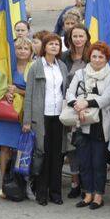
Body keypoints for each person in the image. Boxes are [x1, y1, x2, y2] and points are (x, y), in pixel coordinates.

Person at [65, 42, 110, 210]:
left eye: (101, 57)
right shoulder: (80, 73)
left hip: (100, 123)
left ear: (106, 58)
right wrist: (77, 105)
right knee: (84, 161)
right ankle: (87, 194)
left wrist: (86, 103)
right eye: (94, 56)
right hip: (81, 122)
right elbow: (69, 93)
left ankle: (98, 196)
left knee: (98, 161)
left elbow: (106, 98)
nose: (97, 59)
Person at [23, 33, 68, 206]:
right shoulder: (36, 66)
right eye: (51, 44)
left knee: (57, 155)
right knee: (42, 153)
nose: (54, 47)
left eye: (57, 44)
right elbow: (29, 95)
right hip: (41, 116)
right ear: (44, 47)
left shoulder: (62, 66)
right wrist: (27, 120)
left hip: (59, 116)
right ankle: (41, 193)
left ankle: (55, 193)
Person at [0, 36, 32, 188]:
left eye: (26, 48)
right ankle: (4, 182)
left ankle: (21, 183)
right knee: (4, 147)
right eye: (19, 48)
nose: (22, 51)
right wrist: (5, 94)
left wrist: (18, 91)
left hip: (24, 114)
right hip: (8, 114)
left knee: (22, 148)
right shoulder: (8, 68)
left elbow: (36, 92)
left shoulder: (34, 68)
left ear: (31, 51)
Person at [61, 24, 91, 198]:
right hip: (68, 105)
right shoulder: (64, 57)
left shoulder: (92, 55)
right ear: (70, 39)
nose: (78, 39)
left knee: (85, 145)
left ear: (87, 37)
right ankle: (75, 183)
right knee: (71, 145)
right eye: (75, 36)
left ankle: (87, 183)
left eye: (81, 36)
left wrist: (84, 103)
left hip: (87, 106)